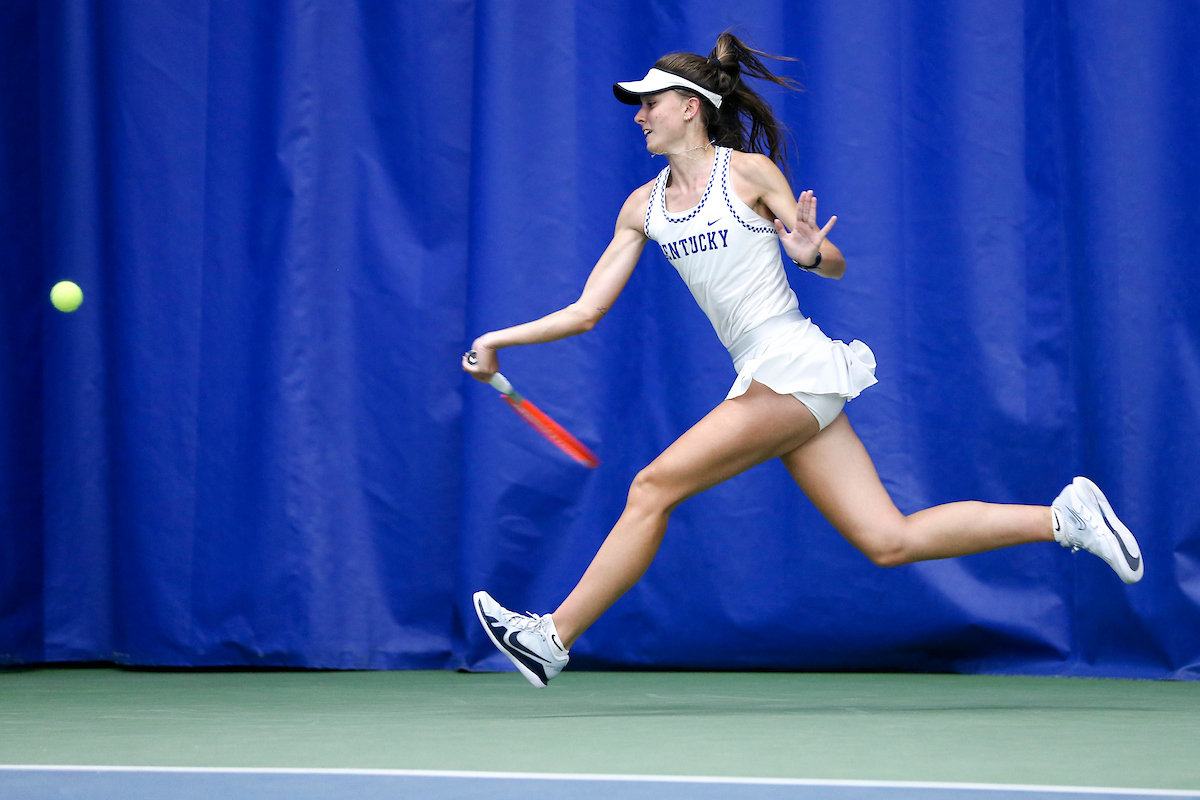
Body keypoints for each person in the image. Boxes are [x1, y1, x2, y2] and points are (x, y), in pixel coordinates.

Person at [462, 33, 1143, 689]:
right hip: (772, 375)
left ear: (690, 106)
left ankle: (551, 637)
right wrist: (499, 338)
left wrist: (812, 252)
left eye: (650, 102)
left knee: (651, 487)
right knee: (889, 539)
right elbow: (587, 310)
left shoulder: (750, 174)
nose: (639, 115)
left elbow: (832, 263)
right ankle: (1064, 518)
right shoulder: (643, 208)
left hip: (791, 361)